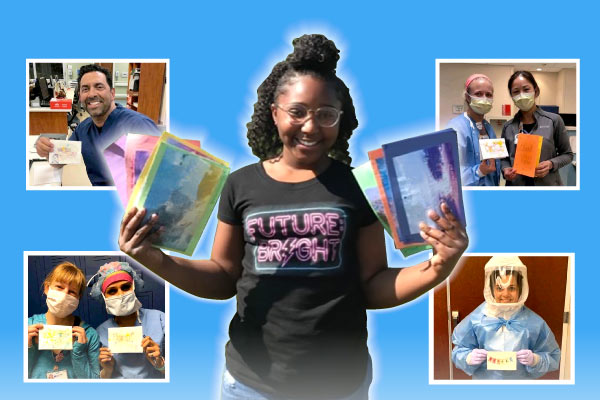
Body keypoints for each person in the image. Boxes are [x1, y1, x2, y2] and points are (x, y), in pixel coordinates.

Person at [118, 34, 468, 399]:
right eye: (297, 112)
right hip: (250, 384)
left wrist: (439, 267)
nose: (311, 127)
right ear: (275, 113)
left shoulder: (358, 186)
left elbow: (373, 284)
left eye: (326, 115)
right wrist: (153, 258)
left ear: (341, 119)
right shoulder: (240, 184)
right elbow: (224, 278)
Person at [35, 64, 160, 186]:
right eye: (85, 89)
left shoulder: (138, 126)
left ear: (112, 93)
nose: (91, 94)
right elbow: (60, 161)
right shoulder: (82, 130)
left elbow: (165, 178)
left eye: (99, 87)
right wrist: (47, 152)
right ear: (80, 97)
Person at [451, 256, 560, 379]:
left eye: (512, 288)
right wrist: (469, 357)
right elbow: (458, 351)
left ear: (521, 289)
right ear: (491, 289)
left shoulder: (534, 323)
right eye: (499, 288)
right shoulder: (477, 319)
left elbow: (553, 356)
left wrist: (535, 359)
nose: (505, 294)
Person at [88, 261, 166, 379]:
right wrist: (107, 369)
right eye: (112, 291)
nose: (120, 295)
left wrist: (161, 364)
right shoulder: (100, 332)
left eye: (125, 287)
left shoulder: (160, 319)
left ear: (133, 288)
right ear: (104, 297)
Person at [27, 262, 101, 379]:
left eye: (72, 292)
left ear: (78, 299)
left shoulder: (89, 334)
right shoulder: (27, 326)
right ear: (47, 288)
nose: (64, 295)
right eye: (59, 287)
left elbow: (94, 381)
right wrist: (28, 347)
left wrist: (79, 352)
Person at [500, 70, 574, 186]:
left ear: (536, 91)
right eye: (516, 92)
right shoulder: (508, 127)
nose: (521, 95)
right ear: (512, 96)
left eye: (526, 89)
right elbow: (503, 158)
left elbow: (568, 154)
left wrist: (551, 164)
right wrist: (505, 169)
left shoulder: (554, 120)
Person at [447, 74, 500, 186]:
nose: (484, 98)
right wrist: (479, 171)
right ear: (468, 97)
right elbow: (450, 173)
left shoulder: (488, 127)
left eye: (488, 95)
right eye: (478, 94)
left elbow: (495, 163)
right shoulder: (456, 127)